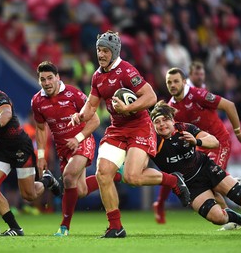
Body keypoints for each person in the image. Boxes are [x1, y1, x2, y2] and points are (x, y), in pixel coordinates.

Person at [69, 30, 189, 238]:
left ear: (114, 52)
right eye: (99, 50)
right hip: (117, 128)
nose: (101, 54)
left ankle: (173, 181)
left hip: (139, 126)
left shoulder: (126, 70)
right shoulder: (97, 76)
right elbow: (91, 105)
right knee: (102, 173)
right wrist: (80, 116)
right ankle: (116, 226)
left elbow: (150, 96)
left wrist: (126, 109)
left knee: (133, 177)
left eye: (105, 51)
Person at [150, 100, 241, 235]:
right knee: (218, 218)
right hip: (190, 185)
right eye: (157, 122)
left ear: (172, 120)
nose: (161, 124)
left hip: (206, 169)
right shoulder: (152, 142)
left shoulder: (184, 128)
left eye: (165, 119)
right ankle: (235, 217)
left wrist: (197, 141)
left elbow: (214, 142)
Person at [153, 66, 241, 230]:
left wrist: (238, 131)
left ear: (184, 82)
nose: (172, 85)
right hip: (197, 145)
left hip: (217, 141)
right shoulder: (171, 109)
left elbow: (229, 105)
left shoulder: (198, 95)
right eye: (169, 82)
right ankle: (230, 217)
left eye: (176, 81)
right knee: (206, 183)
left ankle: (232, 185)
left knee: (213, 180)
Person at [32, 61, 124, 236]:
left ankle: (64, 226)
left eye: (50, 78)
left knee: (67, 177)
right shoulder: (37, 101)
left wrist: (78, 137)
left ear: (58, 78)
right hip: (62, 148)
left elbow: (95, 120)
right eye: (43, 79)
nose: (47, 83)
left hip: (82, 140)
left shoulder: (73, 94)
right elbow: (41, 128)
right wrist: (41, 155)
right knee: (79, 190)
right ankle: (117, 174)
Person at [0, 68, 61, 236]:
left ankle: (47, 180)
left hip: (20, 146)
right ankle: (15, 227)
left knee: (29, 195)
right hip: (2, 150)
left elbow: (5, 114)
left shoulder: (0, 97)